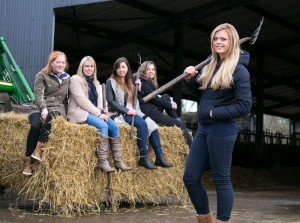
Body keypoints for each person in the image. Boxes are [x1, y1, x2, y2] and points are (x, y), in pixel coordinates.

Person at [182, 23, 252, 223]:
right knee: (190, 177)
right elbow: (205, 95)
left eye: (223, 39)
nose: (218, 42)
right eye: (215, 38)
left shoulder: (239, 71)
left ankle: (222, 220)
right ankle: (205, 219)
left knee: (221, 179)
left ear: (232, 42)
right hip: (204, 128)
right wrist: (191, 80)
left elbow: (244, 107)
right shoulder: (211, 65)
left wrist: (214, 113)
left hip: (222, 130)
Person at [106, 57, 172, 170]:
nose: (121, 69)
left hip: (135, 111)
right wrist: (127, 111)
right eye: (118, 67)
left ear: (127, 68)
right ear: (115, 69)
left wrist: (139, 89)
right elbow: (111, 101)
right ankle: (143, 156)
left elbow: (137, 101)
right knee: (142, 124)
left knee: (152, 124)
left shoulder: (130, 82)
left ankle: (159, 156)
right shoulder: (111, 82)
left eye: (123, 67)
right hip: (121, 114)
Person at [67, 56, 130, 173]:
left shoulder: (95, 82)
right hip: (79, 112)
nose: (89, 69)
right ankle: (103, 160)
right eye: (87, 66)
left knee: (114, 127)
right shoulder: (75, 79)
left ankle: (118, 160)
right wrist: (98, 113)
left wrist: (102, 110)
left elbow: (99, 101)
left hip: (94, 112)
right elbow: (81, 101)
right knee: (104, 126)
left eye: (92, 66)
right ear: (82, 67)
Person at [22, 51, 70, 176]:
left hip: (57, 108)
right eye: (57, 62)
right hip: (39, 106)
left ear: (65, 64)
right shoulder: (42, 75)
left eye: (62, 62)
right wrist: (43, 108)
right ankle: (27, 161)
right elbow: (38, 95)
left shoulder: (67, 79)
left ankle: (38, 149)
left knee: (53, 115)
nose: (60, 65)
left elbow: (67, 99)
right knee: (35, 126)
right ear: (51, 63)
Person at [138, 61, 192, 147]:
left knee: (166, 96)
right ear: (143, 71)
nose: (151, 71)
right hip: (151, 114)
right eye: (148, 69)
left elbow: (157, 100)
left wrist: (168, 102)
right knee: (180, 125)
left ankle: (177, 119)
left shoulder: (148, 83)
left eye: (153, 69)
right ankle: (192, 147)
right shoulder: (143, 83)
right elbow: (155, 100)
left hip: (153, 109)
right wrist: (170, 105)